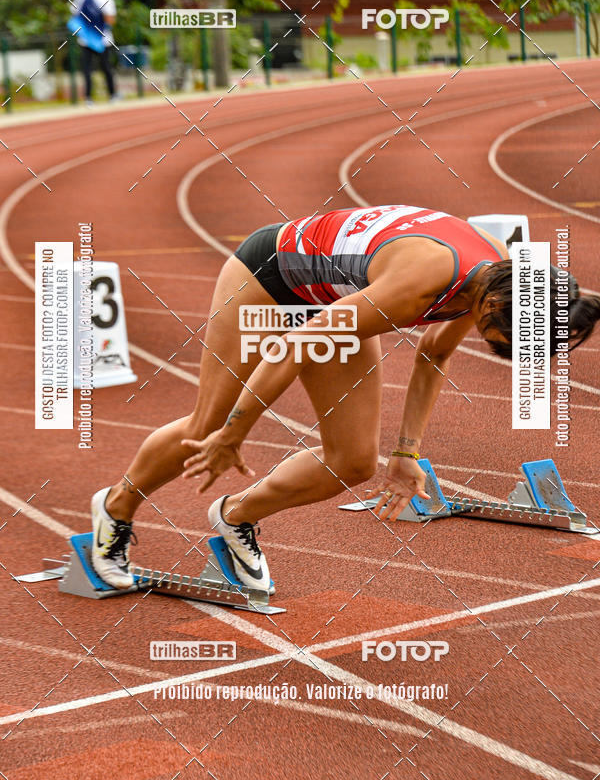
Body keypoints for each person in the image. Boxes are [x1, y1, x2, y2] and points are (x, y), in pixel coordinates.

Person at [90, 204, 600, 591]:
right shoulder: (421, 282)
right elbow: (294, 347)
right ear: (495, 304)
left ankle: (236, 515)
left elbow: (433, 355)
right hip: (266, 282)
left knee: (353, 462)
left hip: (331, 299)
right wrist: (234, 434)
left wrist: (405, 454)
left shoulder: (502, 279)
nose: (497, 348)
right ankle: (115, 509)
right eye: (502, 338)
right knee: (207, 426)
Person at [71, 0, 117, 104]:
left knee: (87, 69)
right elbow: (110, 20)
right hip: (103, 40)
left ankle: (88, 98)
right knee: (106, 68)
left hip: (85, 39)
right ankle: (112, 95)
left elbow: (75, 17)